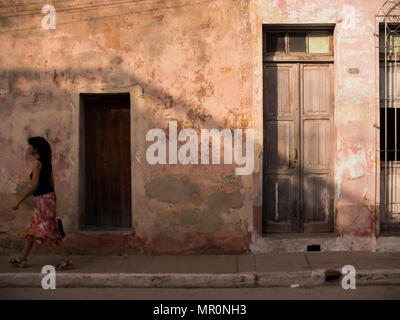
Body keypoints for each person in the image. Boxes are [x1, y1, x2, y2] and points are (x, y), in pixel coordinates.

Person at [8, 136, 73, 270]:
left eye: (30, 145)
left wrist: (19, 201)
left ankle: (67, 260)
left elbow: (34, 186)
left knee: (51, 231)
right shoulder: (47, 162)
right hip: (47, 200)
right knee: (31, 230)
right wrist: (52, 201)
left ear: (36, 148)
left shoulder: (37, 163)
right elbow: (52, 183)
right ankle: (22, 259)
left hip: (43, 201)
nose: (28, 148)